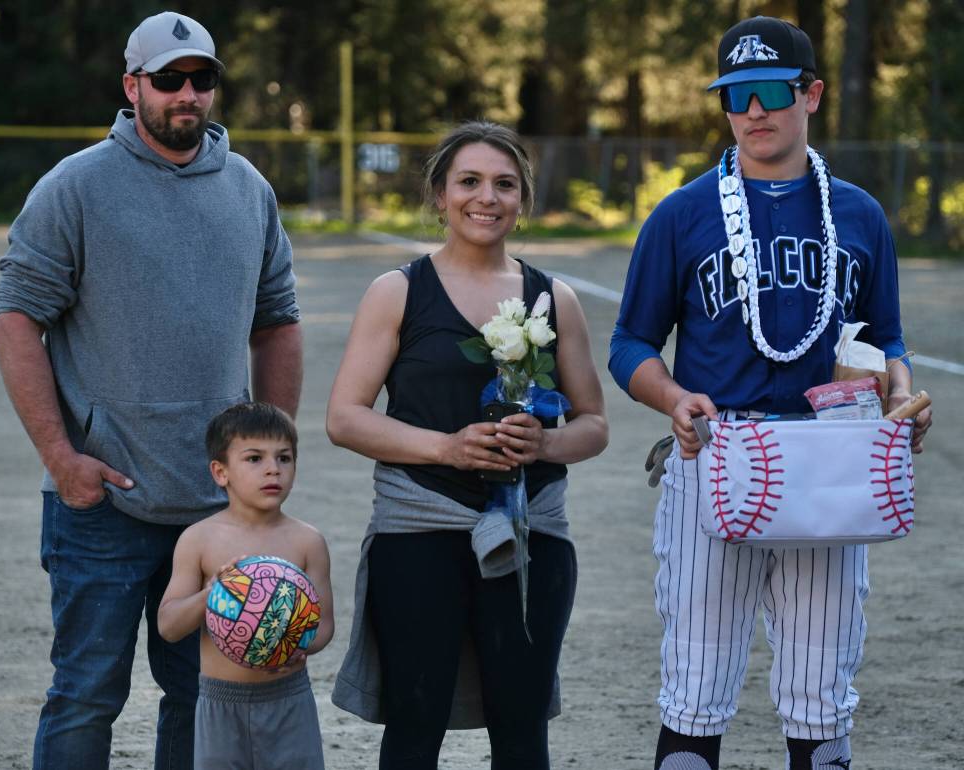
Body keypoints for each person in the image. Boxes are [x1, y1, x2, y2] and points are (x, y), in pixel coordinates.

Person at [609, 15, 933, 770]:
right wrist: (672, 398)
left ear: (811, 93)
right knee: (695, 684)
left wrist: (900, 396)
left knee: (822, 691)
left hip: (832, 462)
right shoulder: (683, 213)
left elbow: (886, 337)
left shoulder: (858, 213)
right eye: (735, 94)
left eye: (771, 91)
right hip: (716, 454)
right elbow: (631, 343)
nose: (754, 110)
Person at [0, 11, 303, 769]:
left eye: (201, 79)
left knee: (200, 694)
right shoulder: (76, 187)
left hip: (211, 504)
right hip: (100, 501)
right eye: (168, 80)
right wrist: (64, 458)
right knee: (87, 693)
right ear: (132, 87)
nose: (186, 94)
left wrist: (264, 460)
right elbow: (15, 323)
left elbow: (278, 325)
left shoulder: (249, 189)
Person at [327, 120, 609, 770]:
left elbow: (593, 425)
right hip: (420, 528)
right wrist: (447, 449)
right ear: (440, 195)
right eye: (470, 182)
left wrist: (543, 443)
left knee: (520, 730)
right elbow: (344, 418)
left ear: (524, 199)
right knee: (415, 724)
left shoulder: (553, 298)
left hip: (531, 535)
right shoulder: (398, 292)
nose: (487, 197)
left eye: (505, 184)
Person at [158, 402, 333, 770]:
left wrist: (295, 646)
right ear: (221, 472)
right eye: (254, 458)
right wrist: (214, 594)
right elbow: (169, 626)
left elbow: (323, 628)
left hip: (288, 700)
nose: (273, 468)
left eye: (284, 458)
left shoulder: (307, 541)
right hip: (221, 703)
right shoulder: (199, 540)